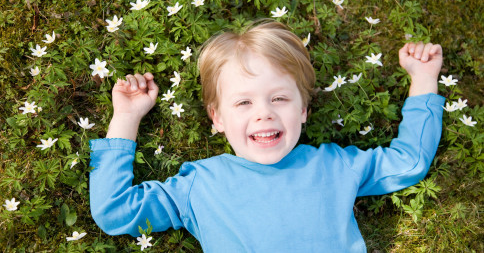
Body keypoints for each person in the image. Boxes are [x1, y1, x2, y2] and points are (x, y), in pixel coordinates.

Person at [89, 21, 445, 252]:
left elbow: (408, 161)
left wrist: (424, 79)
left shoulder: (335, 165)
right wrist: (126, 117)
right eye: (243, 102)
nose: (264, 112)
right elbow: (115, 211)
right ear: (217, 119)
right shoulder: (199, 184)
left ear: (303, 110)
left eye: (279, 98)